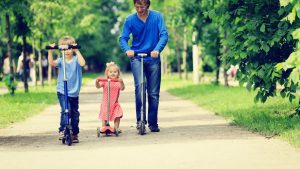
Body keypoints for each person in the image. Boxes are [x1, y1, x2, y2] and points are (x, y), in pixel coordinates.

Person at [119, 0, 168, 132]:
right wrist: (127, 49)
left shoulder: (157, 16)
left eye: (142, 6)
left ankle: (152, 123)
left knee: (153, 93)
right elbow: (122, 38)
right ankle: (140, 120)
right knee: (140, 86)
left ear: (148, 5)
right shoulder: (130, 19)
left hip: (152, 57)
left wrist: (157, 49)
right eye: (137, 6)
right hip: (136, 57)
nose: (139, 9)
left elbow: (164, 35)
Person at [47, 35, 86, 143]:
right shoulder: (60, 60)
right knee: (65, 110)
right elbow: (52, 63)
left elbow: (83, 63)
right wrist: (50, 51)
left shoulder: (76, 60)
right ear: (60, 50)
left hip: (74, 92)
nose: (66, 51)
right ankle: (63, 130)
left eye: (69, 48)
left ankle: (74, 133)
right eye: (63, 49)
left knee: (74, 113)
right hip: (62, 91)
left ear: (72, 49)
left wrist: (77, 51)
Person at [95, 62, 125, 133]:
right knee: (104, 116)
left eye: (115, 72)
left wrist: (121, 82)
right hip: (106, 103)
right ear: (107, 73)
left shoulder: (118, 82)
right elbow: (98, 86)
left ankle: (116, 128)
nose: (113, 73)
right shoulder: (105, 81)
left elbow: (122, 88)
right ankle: (103, 127)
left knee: (118, 114)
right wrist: (97, 82)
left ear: (118, 73)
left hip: (115, 103)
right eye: (110, 72)